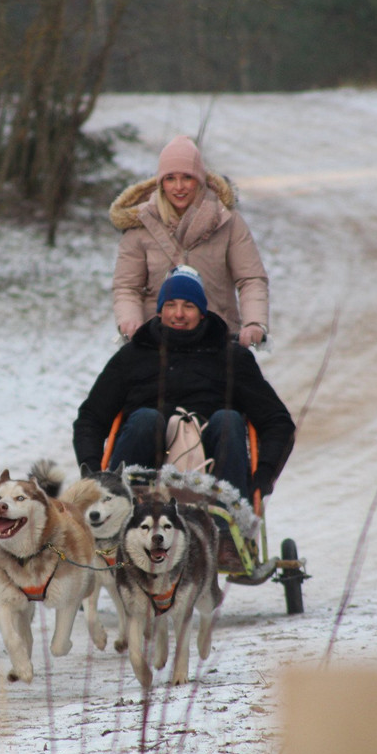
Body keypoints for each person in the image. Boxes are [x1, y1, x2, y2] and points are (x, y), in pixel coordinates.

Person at [73, 267, 294, 503]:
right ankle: (118, 503)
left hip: (211, 467)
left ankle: (230, 521)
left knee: (227, 421)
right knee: (145, 419)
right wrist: (94, 472)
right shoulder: (133, 357)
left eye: (188, 306)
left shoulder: (232, 359)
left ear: (202, 313)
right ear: (159, 311)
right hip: (145, 464)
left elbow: (277, 422)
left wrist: (263, 476)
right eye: (170, 305)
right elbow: (91, 419)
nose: (178, 314)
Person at [110, 135, 270, 348]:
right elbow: (127, 286)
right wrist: (130, 321)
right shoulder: (141, 225)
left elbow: (251, 279)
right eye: (170, 178)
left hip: (218, 340)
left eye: (187, 177)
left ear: (200, 180)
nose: (178, 187)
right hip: (158, 343)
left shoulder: (228, 222)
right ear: (160, 183)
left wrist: (254, 323)